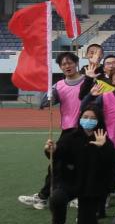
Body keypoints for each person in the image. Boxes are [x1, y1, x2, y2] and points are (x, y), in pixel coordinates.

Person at [20, 52, 87, 211]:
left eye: (70, 62)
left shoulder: (88, 81)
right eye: (63, 64)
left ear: (76, 63)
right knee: (56, 164)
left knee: (82, 164)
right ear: (60, 67)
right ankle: (43, 196)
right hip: (68, 130)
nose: (67, 66)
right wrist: (47, 91)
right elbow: (43, 103)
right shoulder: (59, 86)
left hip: (86, 129)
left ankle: (78, 196)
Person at [44, 106, 115, 224]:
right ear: (80, 118)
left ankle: (89, 214)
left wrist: (103, 147)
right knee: (57, 197)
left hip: (91, 187)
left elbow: (112, 162)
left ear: (99, 121)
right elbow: (58, 155)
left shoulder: (103, 138)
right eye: (85, 117)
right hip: (70, 182)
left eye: (93, 118)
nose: (88, 120)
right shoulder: (70, 136)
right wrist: (52, 150)